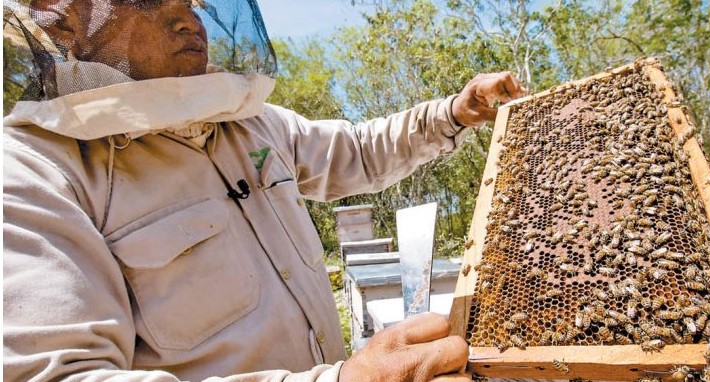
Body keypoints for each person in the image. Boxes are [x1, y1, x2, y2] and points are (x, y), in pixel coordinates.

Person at [2, 0, 526, 381]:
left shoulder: (249, 124)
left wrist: (454, 113)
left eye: (194, 1)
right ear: (66, 19)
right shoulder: (35, 170)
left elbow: (358, 151)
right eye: (153, 1)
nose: (191, 19)